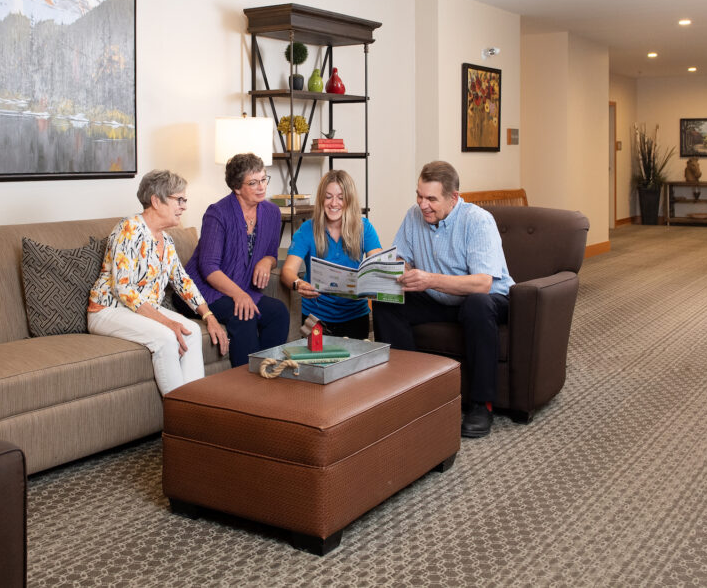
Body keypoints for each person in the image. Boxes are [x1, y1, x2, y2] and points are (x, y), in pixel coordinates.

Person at [372, 161, 514, 439]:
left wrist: (429, 280)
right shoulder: (414, 216)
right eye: (419, 195)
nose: (423, 204)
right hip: (440, 298)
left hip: (487, 300)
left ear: (454, 198)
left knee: (476, 303)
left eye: (431, 199)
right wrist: (398, 270)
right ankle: (407, 389)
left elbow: (482, 283)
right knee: (386, 300)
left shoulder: (477, 220)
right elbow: (401, 258)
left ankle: (481, 405)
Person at [88, 169, 228, 395]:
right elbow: (123, 289)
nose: (184, 206)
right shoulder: (129, 229)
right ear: (156, 200)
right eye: (179, 199)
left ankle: (195, 408)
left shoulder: (167, 241)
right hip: (107, 310)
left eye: (185, 200)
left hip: (142, 310)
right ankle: (180, 417)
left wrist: (207, 315)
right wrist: (167, 322)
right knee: (166, 337)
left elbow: (183, 282)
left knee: (190, 331)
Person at [181, 153, 290, 366]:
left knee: (279, 312)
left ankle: (268, 373)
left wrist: (266, 261)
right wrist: (240, 295)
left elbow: (272, 255)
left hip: (238, 287)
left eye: (263, 179)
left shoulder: (272, 212)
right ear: (237, 187)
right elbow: (208, 267)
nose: (262, 187)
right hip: (202, 289)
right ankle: (248, 388)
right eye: (253, 182)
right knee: (244, 316)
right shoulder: (217, 213)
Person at [280, 170, 383, 340]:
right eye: (328, 196)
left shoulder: (364, 227)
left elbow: (377, 265)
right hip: (315, 317)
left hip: (356, 315)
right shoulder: (307, 230)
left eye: (341, 197)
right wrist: (298, 284)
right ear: (321, 199)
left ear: (349, 200)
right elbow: (287, 271)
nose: (334, 203)